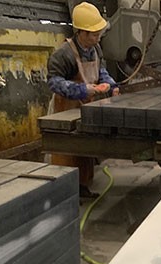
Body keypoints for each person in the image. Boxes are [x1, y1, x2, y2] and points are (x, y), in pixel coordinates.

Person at [48, 2, 119, 198]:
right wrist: (81, 89)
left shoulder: (96, 49)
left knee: (84, 152)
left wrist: (110, 85)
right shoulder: (63, 54)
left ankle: (82, 187)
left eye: (99, 34)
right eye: (94, 34)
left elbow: (101, 71)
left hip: (86, 109)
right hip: (66, 109)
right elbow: (53, 82)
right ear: (81, 32)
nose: (98, 37)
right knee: (67, 153)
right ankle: (64, 193)